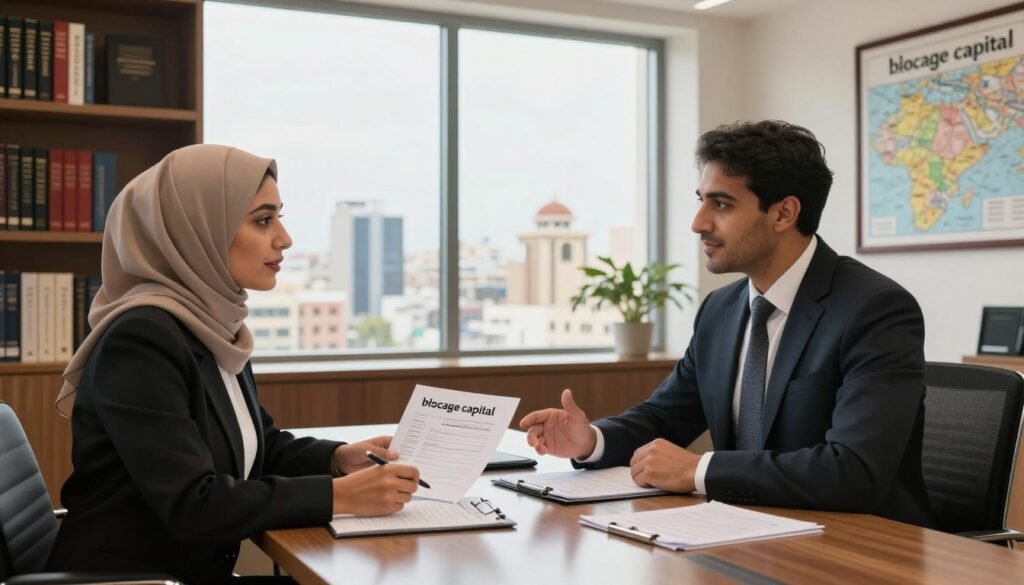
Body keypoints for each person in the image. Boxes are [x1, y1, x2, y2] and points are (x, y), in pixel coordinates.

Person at [520, 120, 934, 527]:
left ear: (784, 213)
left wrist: (700, 471)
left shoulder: (875, 310)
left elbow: (853, 470)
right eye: (700, 200)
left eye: (720, 204)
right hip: (744, 530)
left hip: (862, 548)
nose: (698, 222)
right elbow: (664, 417)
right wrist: (591, 440)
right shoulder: (721, 309)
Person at [46, 145, 422, 584]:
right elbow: (194, 504)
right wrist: (339, 496)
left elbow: (258, 446)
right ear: (196, 230)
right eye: (263, 220)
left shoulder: (209, 324)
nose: (284, 238)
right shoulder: (142, 339)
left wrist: (340, 459)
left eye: (280, 217)